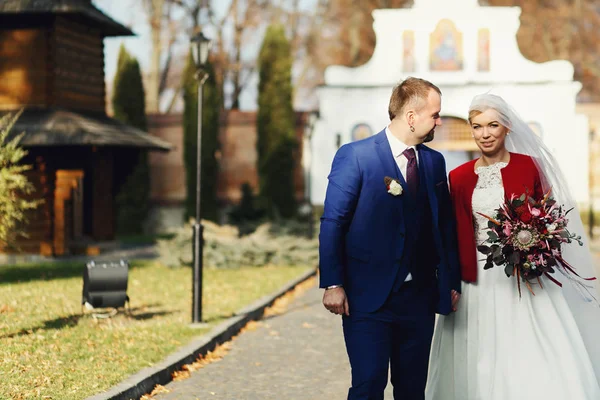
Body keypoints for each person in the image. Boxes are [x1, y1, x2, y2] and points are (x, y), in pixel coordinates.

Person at [426, 93, 600, 400]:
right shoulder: (459, 176)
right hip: (475, 281)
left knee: (529, 349)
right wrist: (450, 284)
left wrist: (537, 250)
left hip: (525, 277)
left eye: (493, 125)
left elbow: (550, 220)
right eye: (477, 126)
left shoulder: (529, 167)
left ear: (507, 128)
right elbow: (453, 234)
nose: (485, 133)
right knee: (479, 354)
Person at [319, 77, 461, 400]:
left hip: (419, 300)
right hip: (367, 299)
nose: (439, 121)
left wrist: (449, 282)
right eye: (435, 115)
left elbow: (444, 227)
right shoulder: (356, 156)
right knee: (368, 385)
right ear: (411, 117)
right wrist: (333, 283)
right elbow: (333, 223)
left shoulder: (434, 163)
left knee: (412, 391)